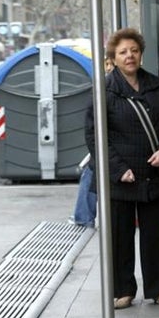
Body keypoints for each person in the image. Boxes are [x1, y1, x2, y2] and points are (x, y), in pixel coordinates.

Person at [85, 28, 159, 309]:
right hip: (121, 176)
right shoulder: (104, 90)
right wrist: (117, 169)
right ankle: (123, 291)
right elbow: (95, 136)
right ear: (113, 58)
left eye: (134, 50)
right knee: (120, 236)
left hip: (153, 172)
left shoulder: (158, 86)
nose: (129, 56)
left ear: (141, 53)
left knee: (156, 236)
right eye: (122, 52)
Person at [70, 57, 113, 227]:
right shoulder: (104, 86)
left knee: (91, 174)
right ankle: (83, 216)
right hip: (105, 142)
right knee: (91, 173)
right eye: (106, 64)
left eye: (111, 64)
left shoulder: (106, 87)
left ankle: (83, 217)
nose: (109, 68)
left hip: (111, 143)